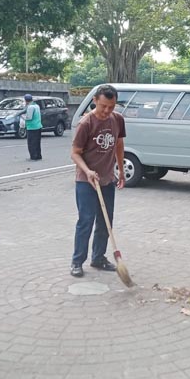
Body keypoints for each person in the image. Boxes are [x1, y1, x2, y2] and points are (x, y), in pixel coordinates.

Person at [70, 84, 126, 278]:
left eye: (111, 106)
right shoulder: (86, 123)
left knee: (106, 221)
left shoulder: (117, 119)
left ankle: (98, 257)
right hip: (86, 181)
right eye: (103, 106)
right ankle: (77, 262)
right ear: (95, 101)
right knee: (86, 221)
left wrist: (120, 169)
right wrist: (87, 171)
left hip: (107, 179)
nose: (107, 111)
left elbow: (119, 144)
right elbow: (75, 153)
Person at [24, 94, 42, 160]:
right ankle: (38, 155)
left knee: (31, 143)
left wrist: (23, 118)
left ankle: (33, 156)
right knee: (37, 142)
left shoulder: (30, 107)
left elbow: (29, 117)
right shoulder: (36, 106)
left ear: (26, 100)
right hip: (38, 126)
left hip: (32, 127)